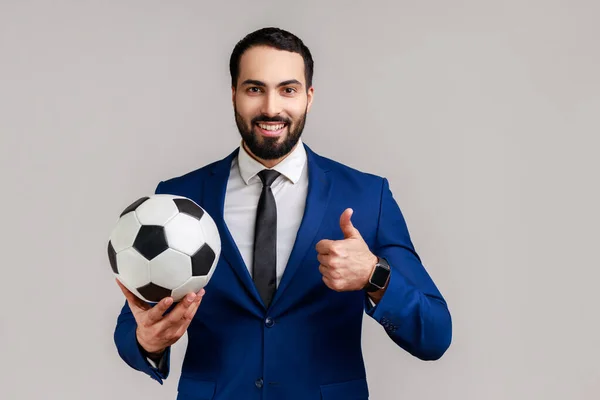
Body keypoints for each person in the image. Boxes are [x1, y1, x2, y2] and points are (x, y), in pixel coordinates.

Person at [113, 27, 452, 400]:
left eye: (287, 90)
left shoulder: (369, 196)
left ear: (309, 97)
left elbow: (434, 335)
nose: (271, 108)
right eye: (254, 89)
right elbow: (134, 329)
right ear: (234, 95)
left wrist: (375, 275)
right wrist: (147, 341)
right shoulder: (180, 198)